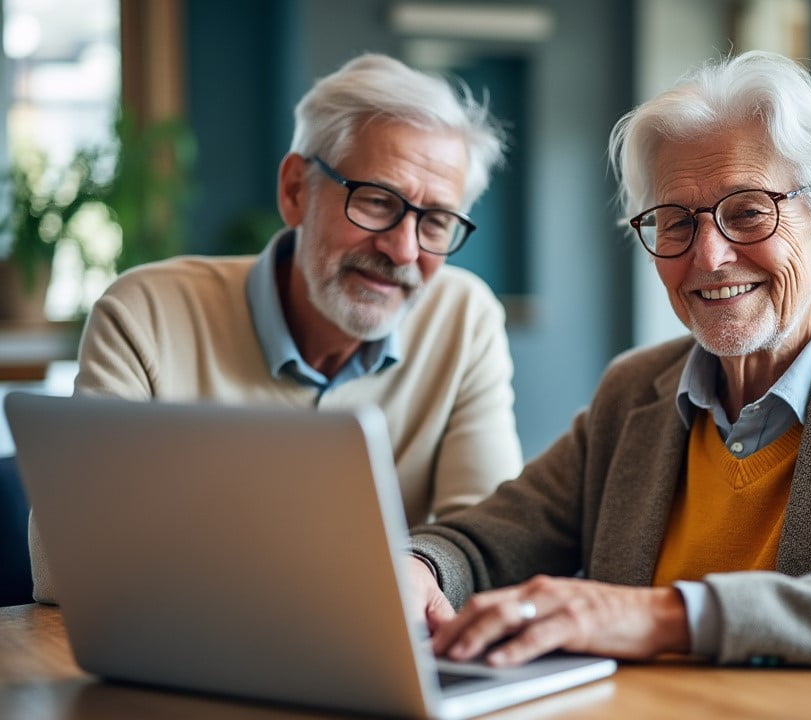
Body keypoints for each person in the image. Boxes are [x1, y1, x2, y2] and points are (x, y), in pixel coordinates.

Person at [406, 51, 811, 675]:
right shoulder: (634, 391)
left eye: (750, 211)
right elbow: (487, 539)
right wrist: (418, 568)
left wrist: (664, 616)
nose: (708, 256)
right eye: (674, 222)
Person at [29, 53, 524, 603]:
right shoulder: (144, 313)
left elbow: (488, 549)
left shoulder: (465, 319)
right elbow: (62, 567)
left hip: (372, 663)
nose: (403, 249)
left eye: (434, 221)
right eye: (379, 201)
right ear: (296, 191)